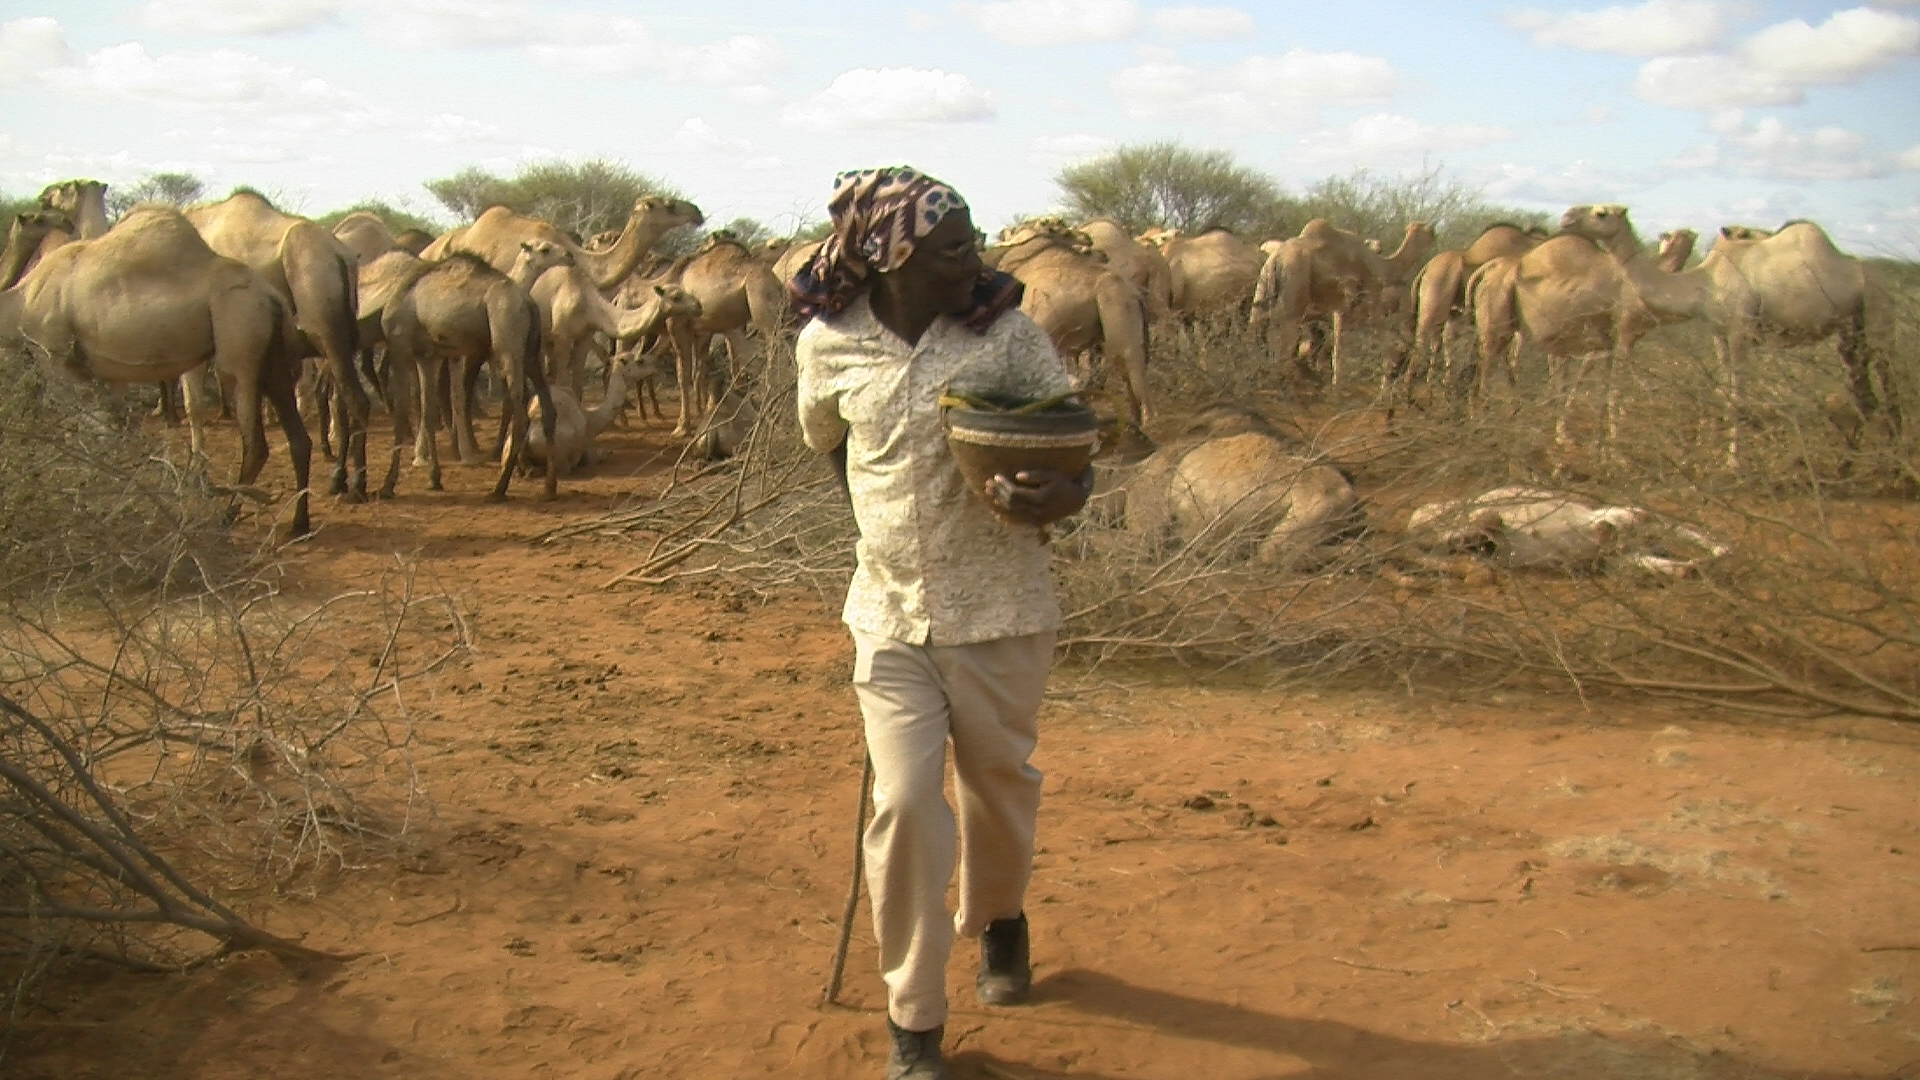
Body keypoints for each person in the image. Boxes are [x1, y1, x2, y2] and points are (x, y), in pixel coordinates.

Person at [793, 167, 1092, 1080]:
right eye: (955, 246)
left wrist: (1055, 494)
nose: (977, 259)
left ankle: (999, 917)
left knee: (998, 786)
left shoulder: (1007, 335)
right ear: (892, 256)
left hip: (1001, 608)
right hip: (888, 615)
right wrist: (882, 527)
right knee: (906, 803)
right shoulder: (829, 344)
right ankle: (914, 1018)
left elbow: (1074, 448)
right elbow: (831, 447)